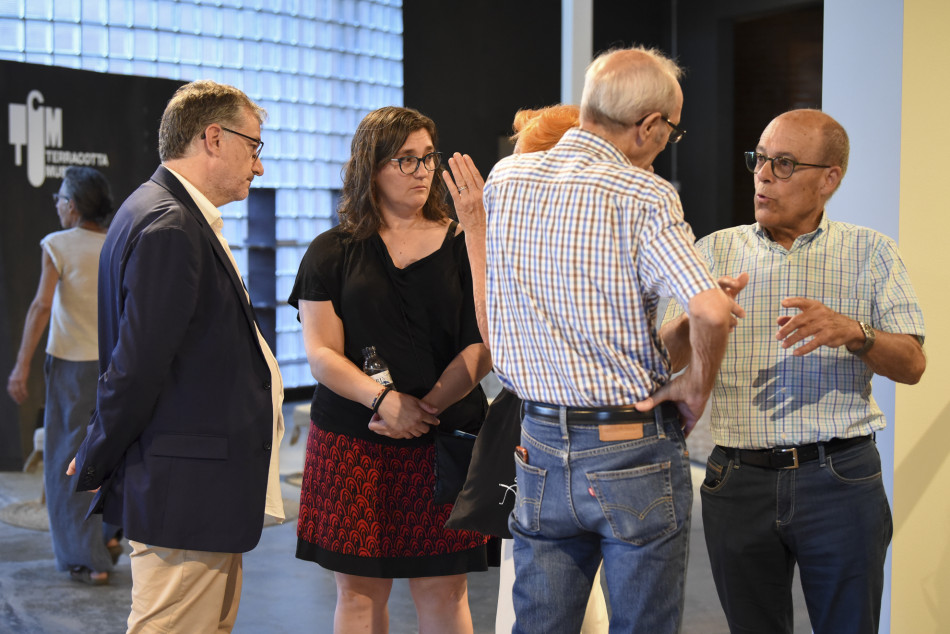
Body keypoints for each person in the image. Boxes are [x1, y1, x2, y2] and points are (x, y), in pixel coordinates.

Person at [447, 46, 741, 633]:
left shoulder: (507, 178)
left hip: (537, 442)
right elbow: (712, 311)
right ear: (649, 126)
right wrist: (695, 388)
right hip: (629, 446)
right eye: (671, 132)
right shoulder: (644, 194)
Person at [661, 108, 926, 634]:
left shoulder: (870, 252)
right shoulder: (714, 251)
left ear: (829, 179)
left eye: (783, 164)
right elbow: (663, 361)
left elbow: (913, 364)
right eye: (759, 160)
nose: (762, 176)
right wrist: (697, 320)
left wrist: (855, 332)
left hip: (840, 478)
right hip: (738, 479)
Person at [68, 80, 284, 632]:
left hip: (198, 488)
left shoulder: (161, 211)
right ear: (214, 137)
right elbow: (137, 365)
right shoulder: (172, 224)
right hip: (186, 490)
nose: (258, 166)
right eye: (254, 147)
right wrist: (98, 451)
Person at [288, 105, 492, 634]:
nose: (422, 171)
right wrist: (384, 402)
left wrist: (425, 409)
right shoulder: (331, 251)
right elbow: (321, 352)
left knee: (444, 591)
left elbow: (483, 342)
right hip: (354, 440)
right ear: (371, 166)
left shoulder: (465, 246)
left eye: (428, 157)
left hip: (444, 440)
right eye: (405, 159)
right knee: (358, 594)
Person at [445, 103, 610, 634]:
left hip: (568, 441)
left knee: (549, 597)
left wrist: (476, 229)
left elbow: (501, 342)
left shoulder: (576, 238)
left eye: (524, 163)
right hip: (577, 440)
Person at [6, 166, 121, 585]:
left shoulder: (57, 244)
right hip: (114, 364)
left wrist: (21, 365)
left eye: (59, 198)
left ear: (72, 206)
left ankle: (89, 560)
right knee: (111, 451)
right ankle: (109, 536)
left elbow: (41, 306)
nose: (56, 204)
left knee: (67, 460)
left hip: (72, 368)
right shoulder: (117, 242)